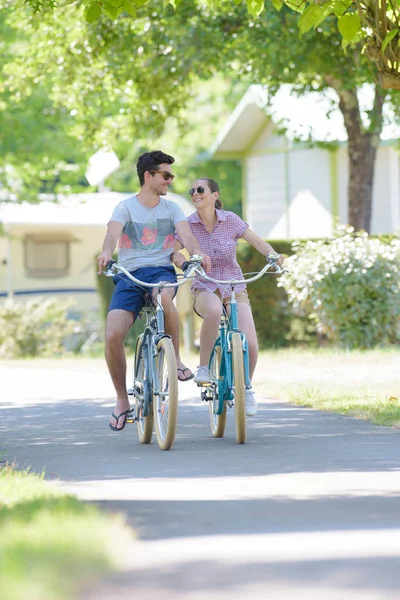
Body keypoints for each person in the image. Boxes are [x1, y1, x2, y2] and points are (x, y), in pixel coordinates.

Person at [97, 151, 211, 431]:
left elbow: (187, 237)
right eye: (165, 175)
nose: (170, 180)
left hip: (161, 271)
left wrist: (196, 253)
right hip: (129, 275)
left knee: (164, 298)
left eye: (171, 175)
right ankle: (123, 400)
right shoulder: (124, 207)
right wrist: (105, 252)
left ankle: (176, 358)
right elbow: (112, 234)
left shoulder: (172, 209)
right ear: (148, 176)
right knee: (112, 334)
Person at [171, 177, 283, 417]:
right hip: (204, 286)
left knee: (250, 344)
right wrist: (184, 263)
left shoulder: (230, 220)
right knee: (212, 311)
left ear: (215, 195)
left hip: (234, 286)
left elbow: (256, 241)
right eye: (192, 191)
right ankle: (203, 368)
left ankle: (246, 388)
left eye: (200, 189)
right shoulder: (187, 224)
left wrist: (273, 256)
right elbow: (174, 252)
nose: (195, 194)